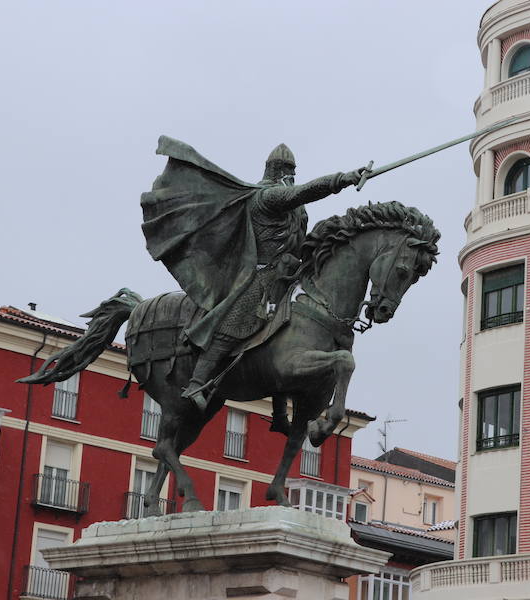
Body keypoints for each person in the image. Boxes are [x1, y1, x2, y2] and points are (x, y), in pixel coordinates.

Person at [140, 136, 365, 421]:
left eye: (292, 171)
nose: (291, 176)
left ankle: (280, 408)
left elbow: (299, 238)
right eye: (288, 171)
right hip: (260, 275)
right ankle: (197, 383)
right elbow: (306, 192)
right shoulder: (267, 197)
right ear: (278, 171)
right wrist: (342, 179)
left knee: (297, 334)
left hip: (289, 275)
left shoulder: (297, 209)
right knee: (238, 320)